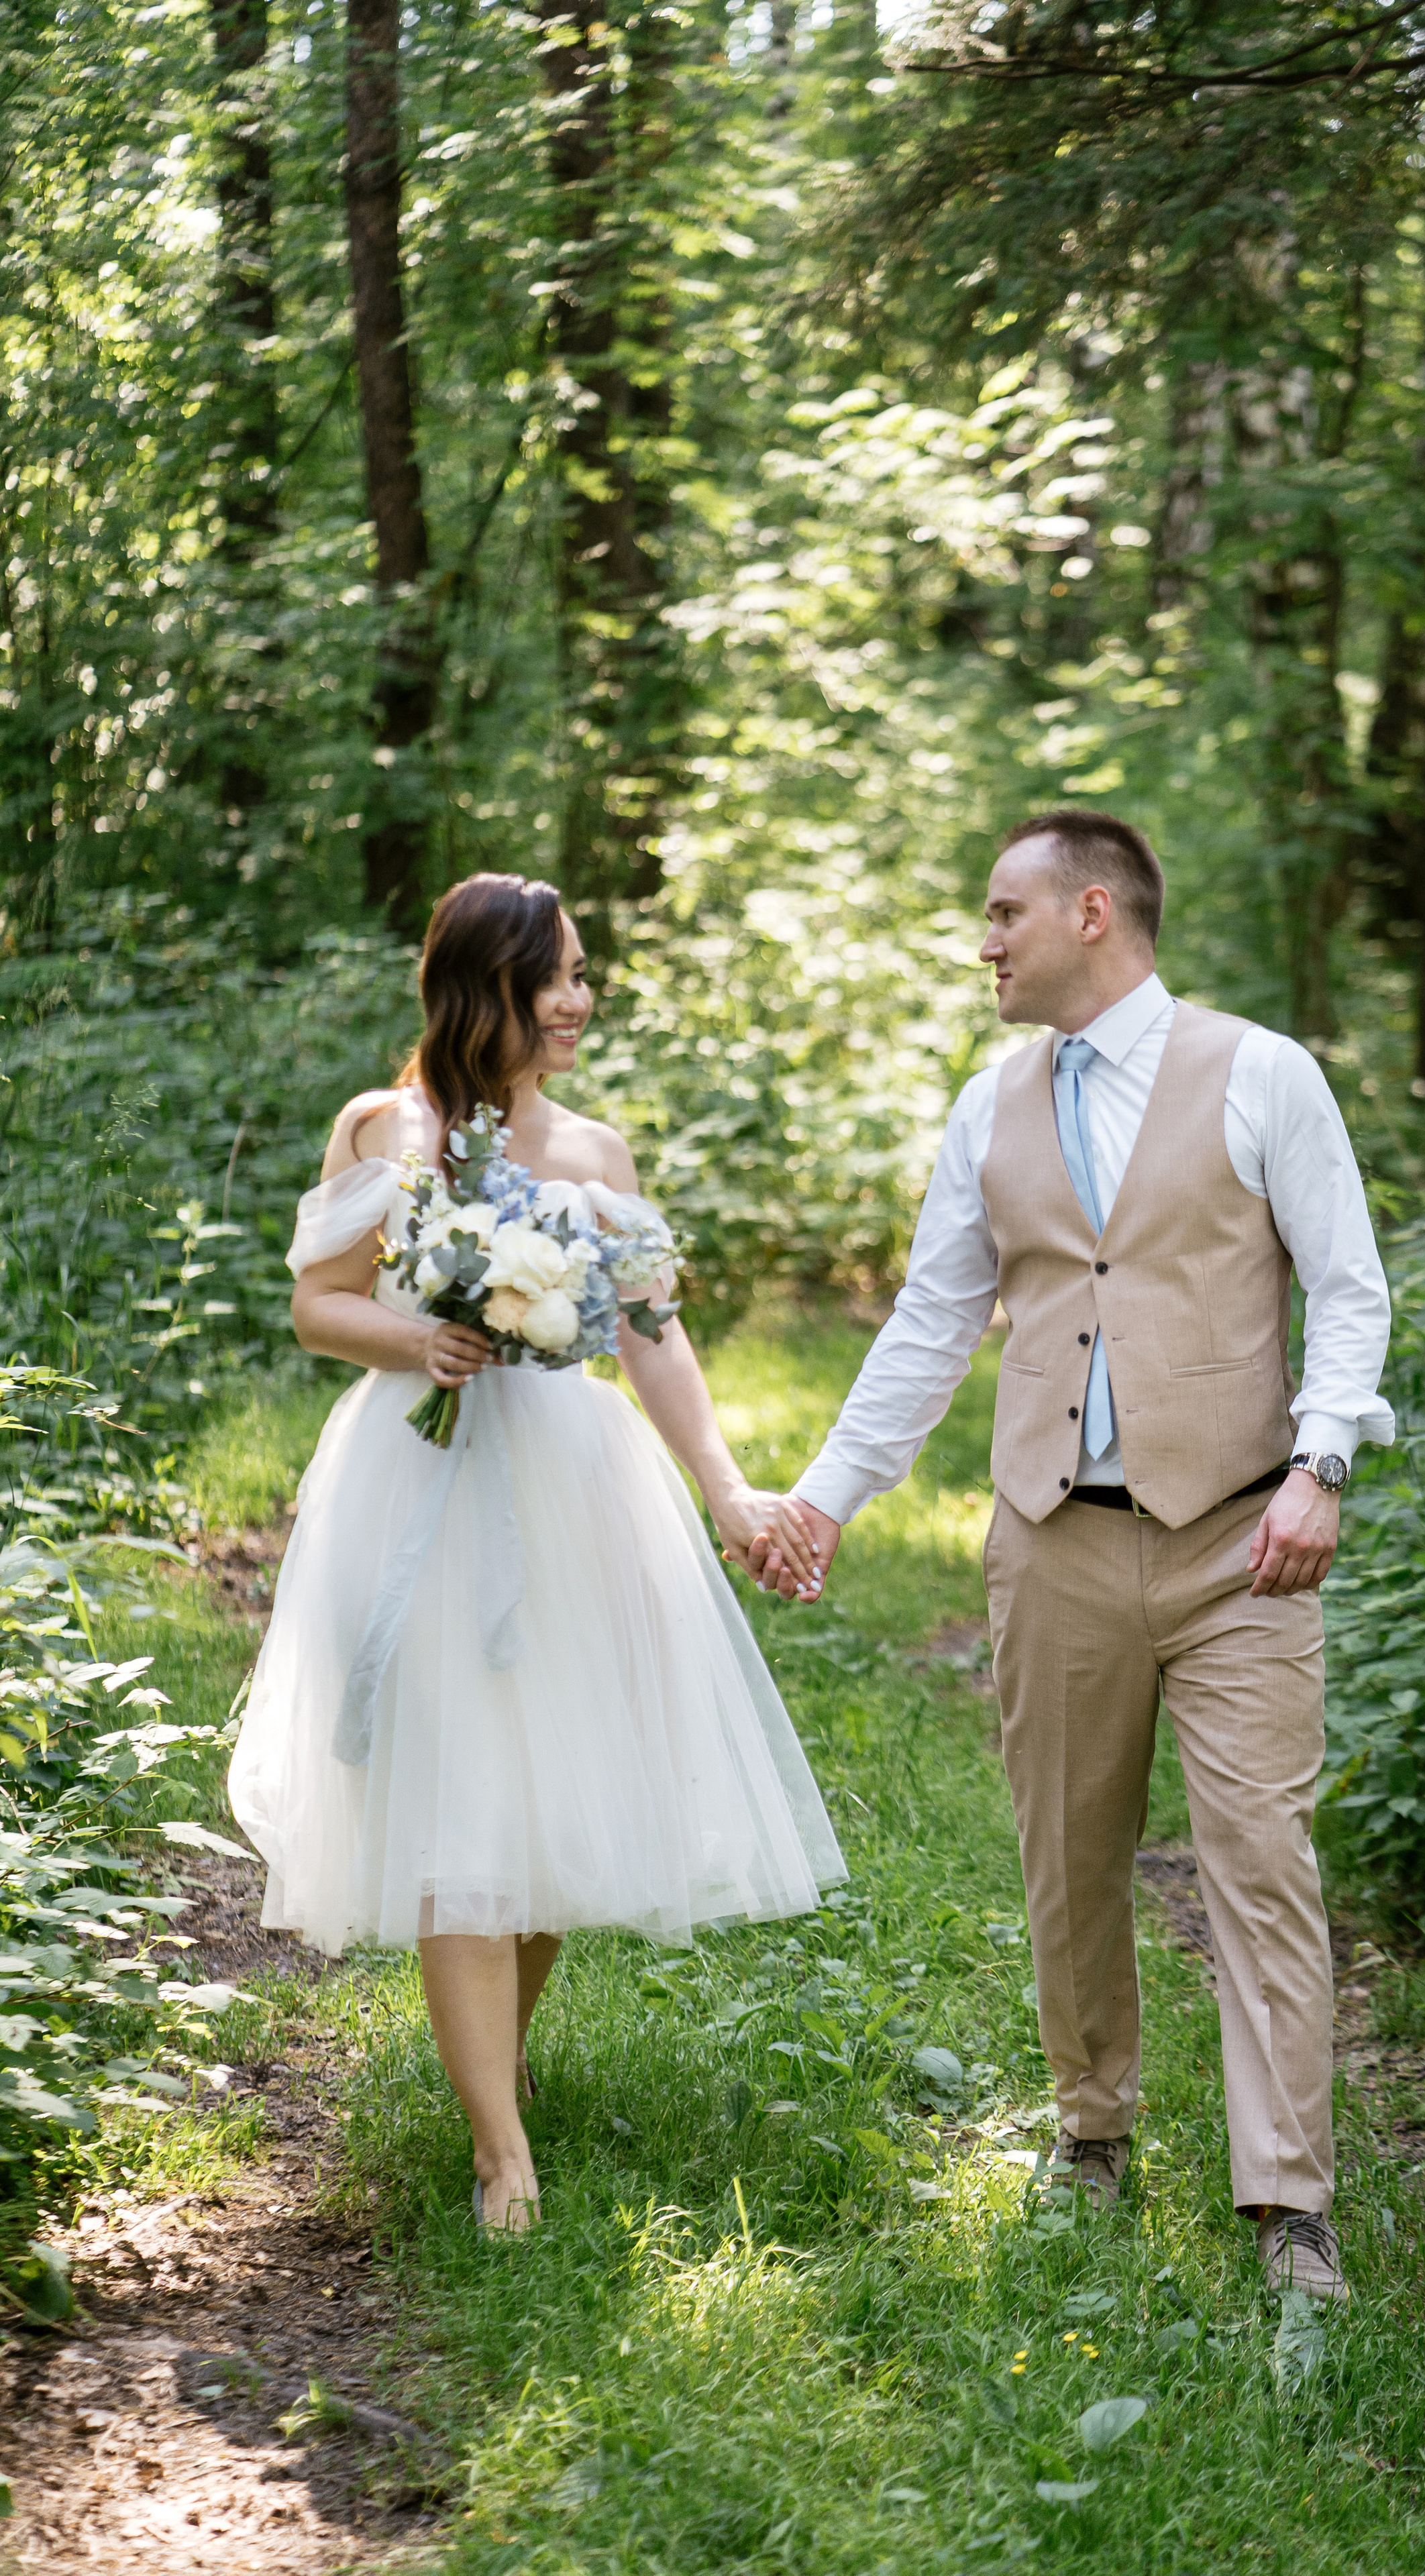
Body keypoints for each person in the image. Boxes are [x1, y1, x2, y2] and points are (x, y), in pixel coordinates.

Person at [753, 810, 1392, 2303]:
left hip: (1245, 1540)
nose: (983, 942)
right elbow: (930, 1321)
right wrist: (829, 1496)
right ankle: (1090, 2135)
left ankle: (1289, 2207)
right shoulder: (988, 1102)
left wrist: (1321, 1465)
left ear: (1089, 913)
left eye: (1001, 914)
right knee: (1067, 1858)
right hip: (1051, 1542)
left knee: (1260, 1866)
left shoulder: (1261, 1074)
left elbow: (1348, 1291)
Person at [229, 872, 843, 2233]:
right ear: (481, 988)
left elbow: (652, 1333)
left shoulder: (599, 1156)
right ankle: (502, 2156)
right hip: (418, 1478)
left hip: (570, 1480)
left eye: (579, 976)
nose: (576, 1001)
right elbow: (319, 1307)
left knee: (551, 1799)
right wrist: (425, 1339)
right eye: (554, 976)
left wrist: (730, 1493)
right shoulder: (384, 1132)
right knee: (458, 1803)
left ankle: (490, 2077)